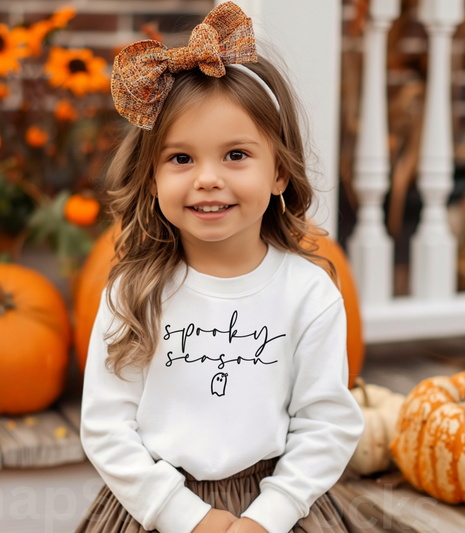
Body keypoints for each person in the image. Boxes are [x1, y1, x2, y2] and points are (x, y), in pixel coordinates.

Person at [75, 2, 365, 533]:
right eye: (181, 159)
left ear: (279, 171)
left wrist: (268, 517)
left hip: (275, 506)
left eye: (235, 155)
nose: (207, 178)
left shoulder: (309, 293)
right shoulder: (134, 292)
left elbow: (326, 424)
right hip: (158, 506)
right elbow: (106, 426)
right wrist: (185, 516)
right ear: (152, 177)